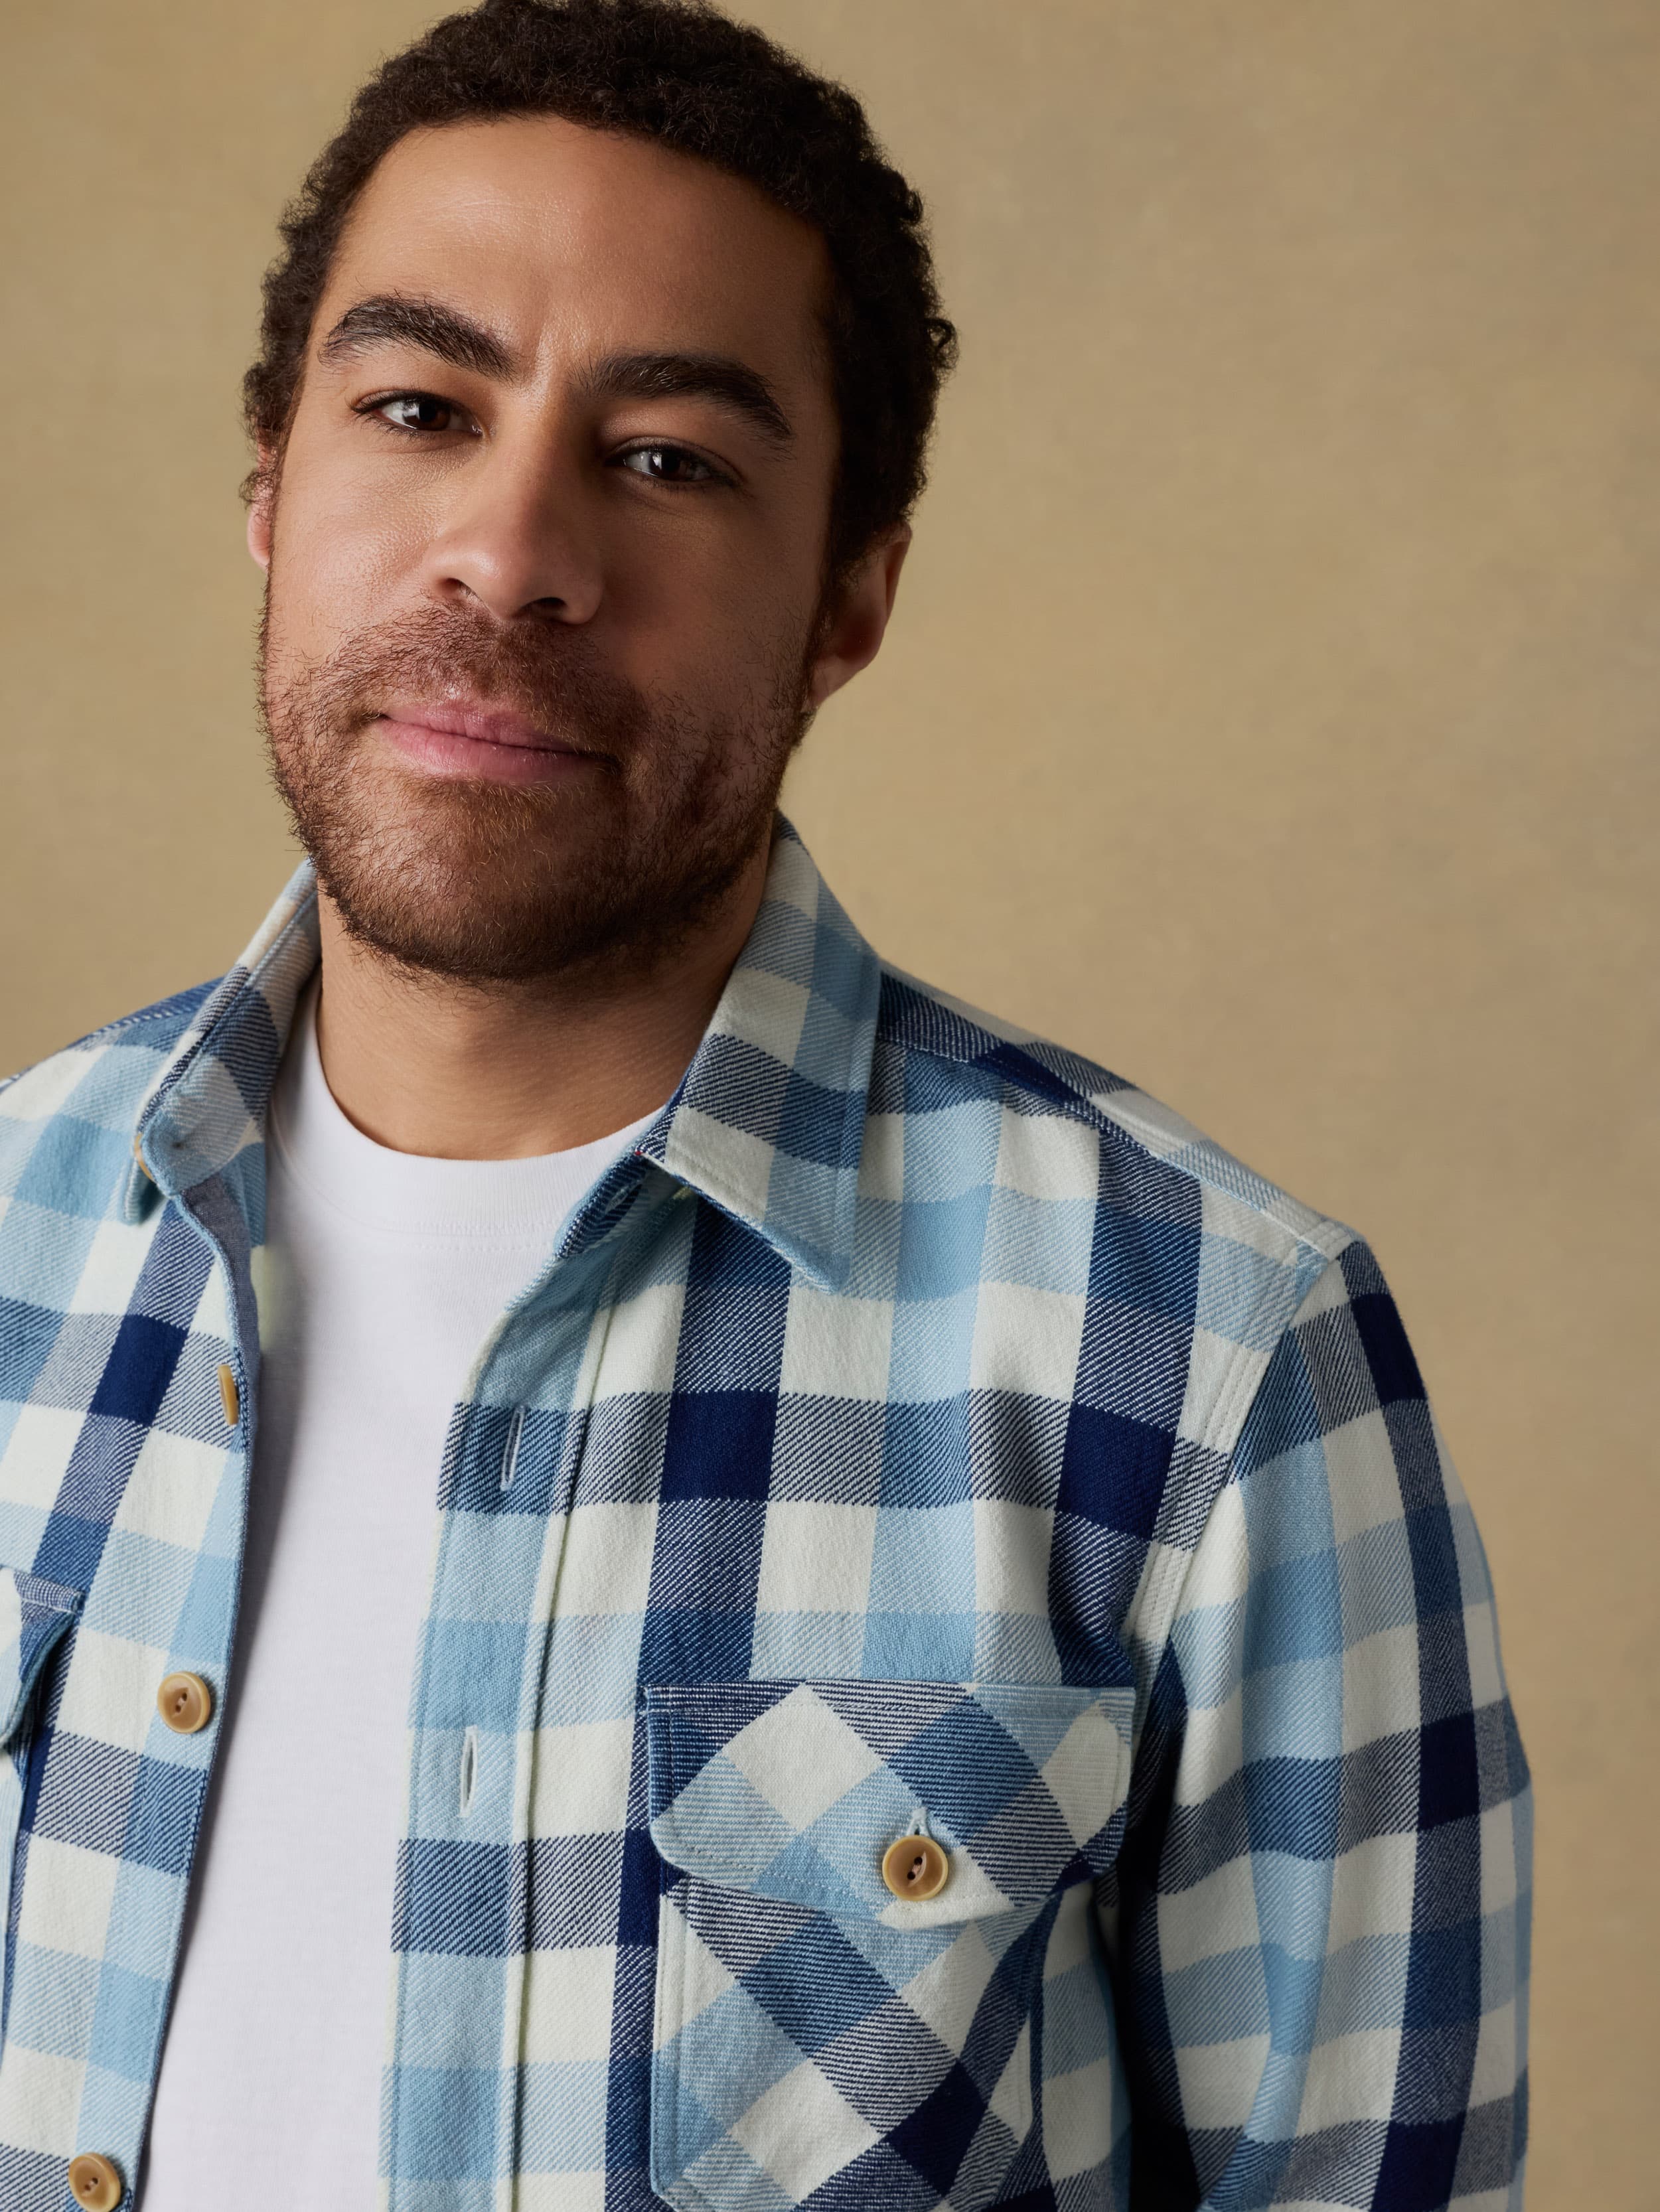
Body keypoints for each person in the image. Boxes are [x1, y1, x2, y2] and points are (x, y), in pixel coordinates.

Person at [0, 3, 1530, 2207]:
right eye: (419, 409)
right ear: (269, 497)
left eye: (668, 460)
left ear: (851, 601)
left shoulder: (1209, 1366)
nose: (512, 553)